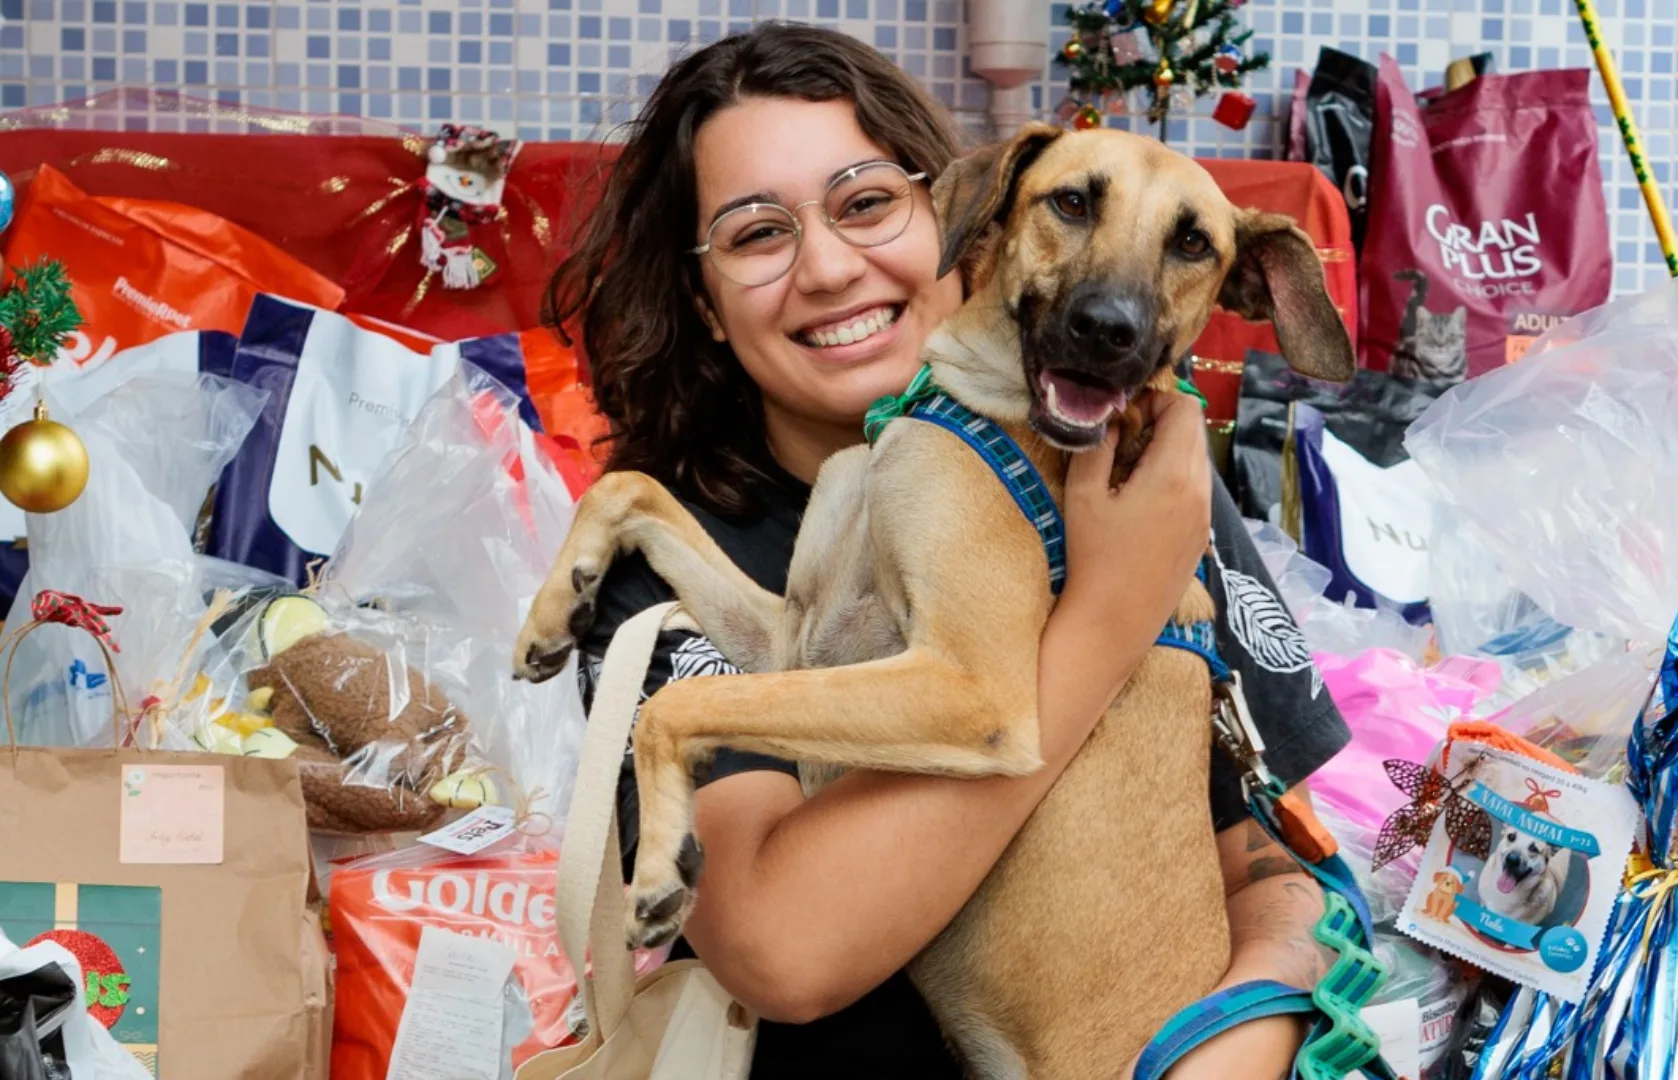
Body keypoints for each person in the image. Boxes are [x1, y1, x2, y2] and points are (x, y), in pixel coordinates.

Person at [550, 22, 1352, 1078]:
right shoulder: (661, 565)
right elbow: (785, 952)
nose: (832, 267)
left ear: (952, 214)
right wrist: (1107, 615)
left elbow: (1285, 876)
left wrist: (1215, 1058)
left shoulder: (1139, 477)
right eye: (756, 234)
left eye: (867, 203)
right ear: (702, 302)